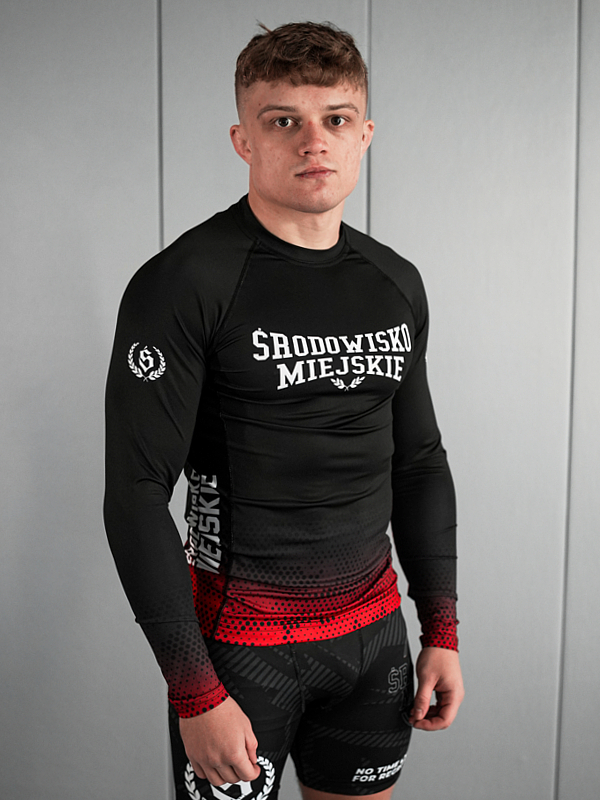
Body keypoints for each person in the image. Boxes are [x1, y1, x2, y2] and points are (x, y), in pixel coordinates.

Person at [104, 21, 464, 800]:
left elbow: (420, 462)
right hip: (240, 655)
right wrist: (193, 689)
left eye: (336, 118)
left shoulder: (394, 282)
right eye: (283, 121)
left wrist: (442, 629)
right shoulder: (185, 281)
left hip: (374, 647)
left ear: (365, 134)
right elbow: (134, 492)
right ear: (243, 140)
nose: (313, 141)